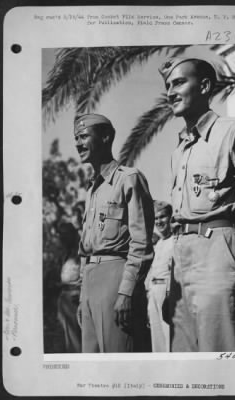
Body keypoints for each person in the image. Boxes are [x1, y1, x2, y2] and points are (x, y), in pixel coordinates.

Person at [158, 57, 235, 352]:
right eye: (168, 85)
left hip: (219, 255)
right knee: (184, 364)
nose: (171, 91)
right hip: (181, 262)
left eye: (179, 82)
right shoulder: (178, 151)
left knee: (221, 357)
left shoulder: (233, 130)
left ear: (205, 86)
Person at [74, 113, 154, 353]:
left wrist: (126, 292)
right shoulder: (92, 190)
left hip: (115, 279)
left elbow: (141, 243)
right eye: (76, 137)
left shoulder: (128, 179)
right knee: (91, 367)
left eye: (84, 136)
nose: (78, 143)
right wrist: (82, 296)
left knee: (120, 360)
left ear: (106, 137)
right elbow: (86, 246)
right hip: (89, 282)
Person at [145, 201, 173, 352]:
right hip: (153, 292)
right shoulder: (159, 243)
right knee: (157, 342)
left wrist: (169, 293)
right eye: (155, 219)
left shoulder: (176, 241)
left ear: (170, 218)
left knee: (169, 337)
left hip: (167, 292)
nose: (158, 222)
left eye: (162, 217)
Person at [57, 222, 82, 353]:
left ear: (72, 235)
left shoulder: (81, 253)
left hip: (75, 298)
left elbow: (87, 277)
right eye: (60, 235)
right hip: (64, 297)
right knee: (67, 336)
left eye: (65, 235)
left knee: (77, 337)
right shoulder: (66, 254)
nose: (61, 238)